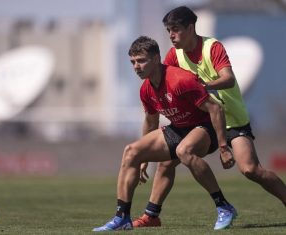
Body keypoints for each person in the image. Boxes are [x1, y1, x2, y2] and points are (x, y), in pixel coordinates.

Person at [133, 6, 286, 228]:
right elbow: (167, 87)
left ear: (191, 27)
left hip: (231, 118)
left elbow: (229, 79)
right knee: (168, 160)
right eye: (168, 30)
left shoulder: (211, 47)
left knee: (251, 169)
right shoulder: (173, 56)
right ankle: (151, 215)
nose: (171, 35)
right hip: (201, 119)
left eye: (175, 29)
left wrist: (201, 85)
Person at [93, 36, 237, 232]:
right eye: (133, 62)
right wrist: (144, 159)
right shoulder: (145, 89)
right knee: (131, 151)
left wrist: (223, 147)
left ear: (156, 59)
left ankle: (224, 206)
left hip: (206, 126)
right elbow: (151, 122)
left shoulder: (180, 80)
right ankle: (122, 217)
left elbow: (215, 109)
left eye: (141, 60)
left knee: (183, 151)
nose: (136, 66)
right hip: (179, 128)